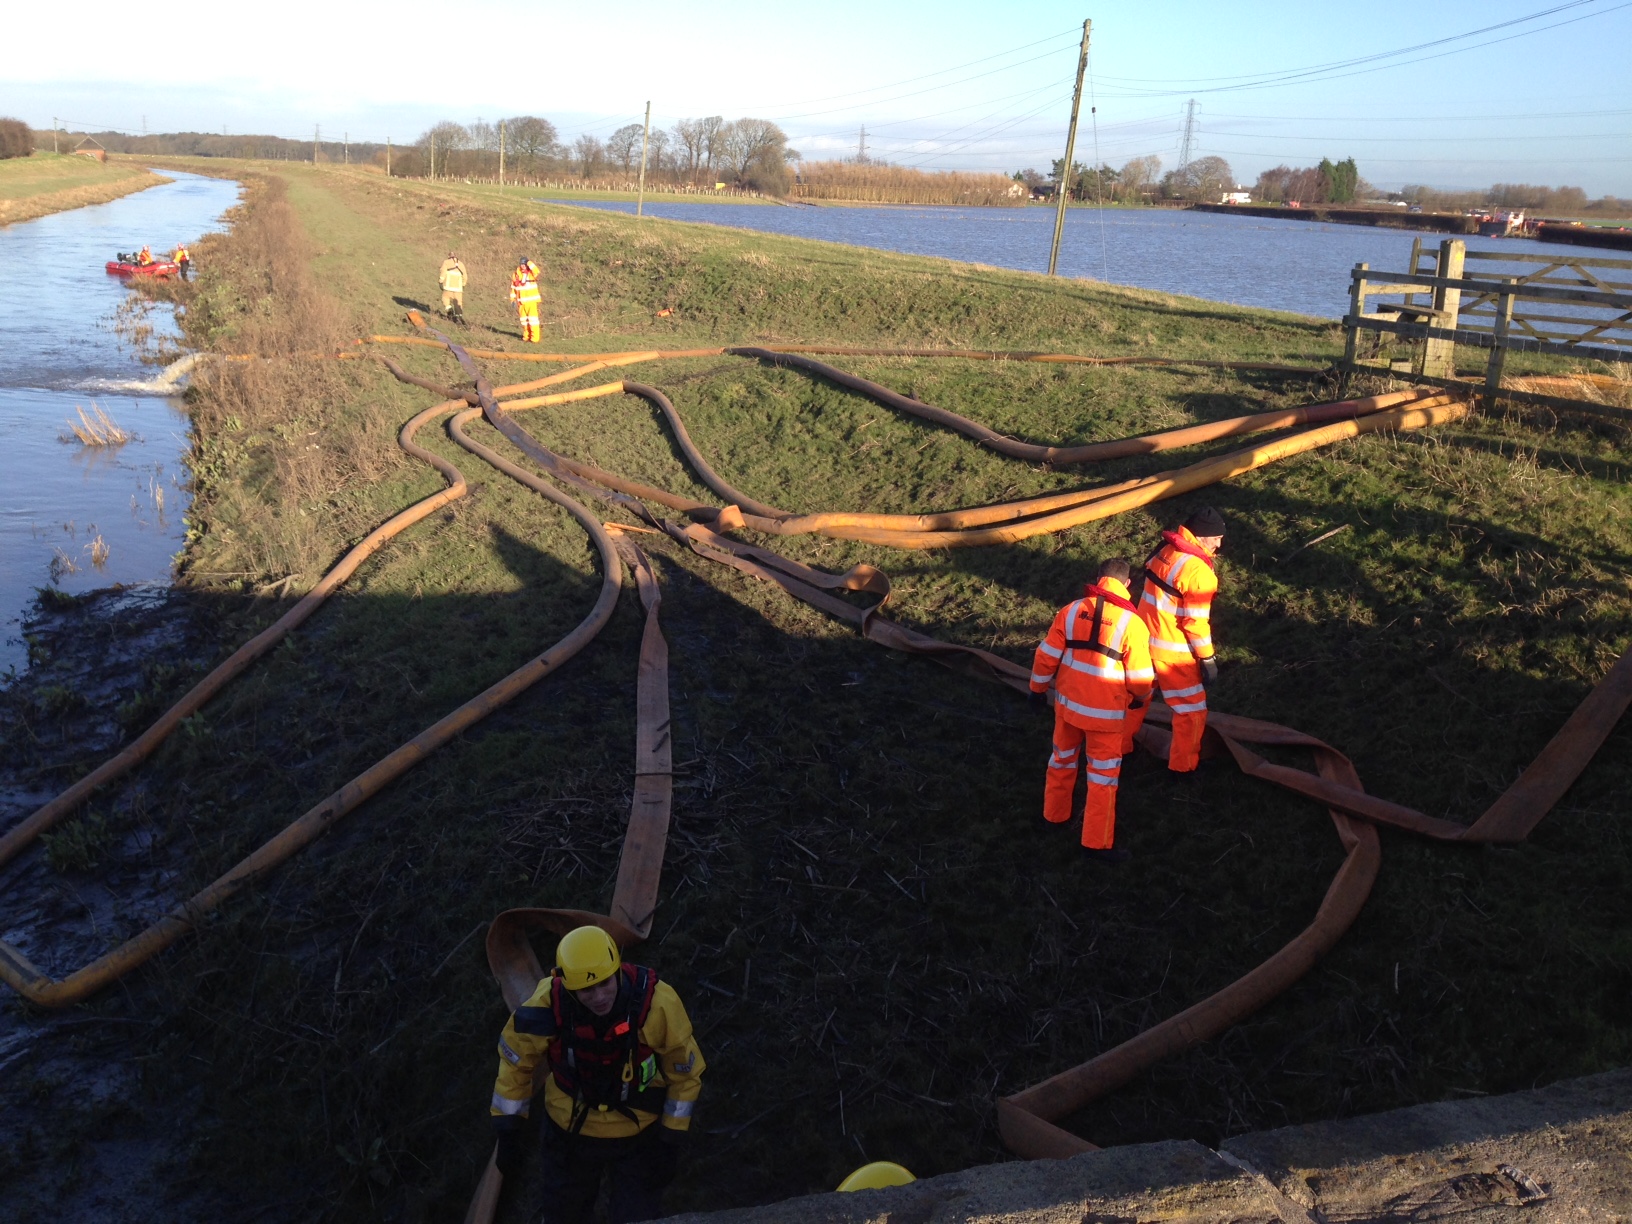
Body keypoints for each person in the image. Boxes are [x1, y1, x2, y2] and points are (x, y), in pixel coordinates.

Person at [490, 925, 705, 1224]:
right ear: (566, 984)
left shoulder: (656, 1004)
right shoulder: (546, 1005)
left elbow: (685, 1072)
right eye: (586, 990)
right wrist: (509, 1132)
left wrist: (671, 1139)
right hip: (569, 1134)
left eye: (605, 983)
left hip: (639, 1134)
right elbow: (514, 1064)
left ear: (617, 969)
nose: (599, 996)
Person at [1029, 558, 1155, 864]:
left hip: (1068, 709)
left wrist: (1037, 689)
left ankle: (1054, 816)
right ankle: (1095, 843)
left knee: (1061, 761)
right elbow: (1140, 678)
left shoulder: (1071, 611)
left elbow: (1046, 654)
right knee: (1102, 779)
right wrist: (1140, 698)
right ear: (1126, 585)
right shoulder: (1132, 624)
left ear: (1098, 580)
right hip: (1106, 719)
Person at [1124, 506, 1225, 773]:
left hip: (1142, 642)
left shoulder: (1165, 550)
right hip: (1174, 656)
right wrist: (1207, 658)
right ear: (1201, 537)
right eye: (1216, 538)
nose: (1219, 544)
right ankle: (1182, 768)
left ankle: (1117, 749)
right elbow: (1194, 622)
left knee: (1136, 699)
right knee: (1190, 712)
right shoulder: (1199, 573)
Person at [510, 256, 542, 343]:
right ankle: (526, 337)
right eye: (521, 264)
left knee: (533, 321)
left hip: (531, 302)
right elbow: (513, 287)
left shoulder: (531, 273)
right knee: (524, 321)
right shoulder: (516, 274)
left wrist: (529, 262)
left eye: (524, 264)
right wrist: (513, 299)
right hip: (521, 302)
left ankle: (534, 338)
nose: (523, 266)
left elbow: (537, 271)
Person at [438, 251, 467, 321]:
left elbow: (443, 272)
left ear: (449, 256)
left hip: (448, 286)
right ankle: (459, 316)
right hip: (458, 288)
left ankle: (450, 312)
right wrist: (463, 284)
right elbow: (465, 276)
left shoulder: (446, 262)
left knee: (445, 298)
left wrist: (440, 281)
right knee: (458, 302)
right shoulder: (461, 264)